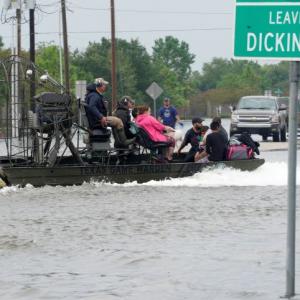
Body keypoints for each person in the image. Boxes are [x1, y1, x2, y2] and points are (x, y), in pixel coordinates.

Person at [85, 78, 135, 146]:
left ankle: (118, 142)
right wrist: (101, 117)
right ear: (99, 85)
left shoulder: (93, 94)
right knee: (118, 121)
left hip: (95, 119)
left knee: (115, 122)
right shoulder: (95, 95)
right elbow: (92, 106)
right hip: (97, 120)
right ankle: (124, 141)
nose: (105, 86)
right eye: (104, 85)